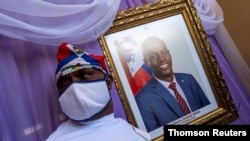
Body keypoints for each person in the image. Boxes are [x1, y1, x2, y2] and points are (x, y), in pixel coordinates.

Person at [46, 42, 150, 141]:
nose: (75, 87)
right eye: (65, 83)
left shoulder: (135, 134)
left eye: (85, 75)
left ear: (108, 82)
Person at [135, 36, 210, 132]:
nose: (161, 58)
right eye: (153, 56)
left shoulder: (189, 79)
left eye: (164, 52)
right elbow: (156, 137)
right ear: (146, 63)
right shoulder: (143, 99)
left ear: (169, 54)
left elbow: (210, 112)